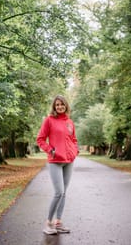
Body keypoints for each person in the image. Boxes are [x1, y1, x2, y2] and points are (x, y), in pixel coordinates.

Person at [36, 94, 79, 235]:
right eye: (57, 105)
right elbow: (40, 139)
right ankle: (48, 223)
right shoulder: (49, 120)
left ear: (66, 105)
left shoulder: (70, 122)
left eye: (62, 104)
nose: (60, 107)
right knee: (59, 192)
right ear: (54, 107)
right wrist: (51, 150)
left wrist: (75, 151)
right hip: (55, 161)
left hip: (69, 161)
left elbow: (74, 139)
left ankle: (58, 222)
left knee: (64, 193)